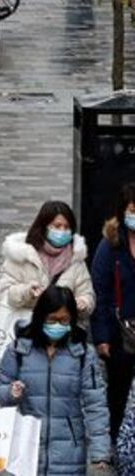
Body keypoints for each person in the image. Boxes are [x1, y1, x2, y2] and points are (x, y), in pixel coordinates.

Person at [0, 286, 111, 474]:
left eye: (64, 320)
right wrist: (11, 392)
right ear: (41, 317)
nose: (58, 325)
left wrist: (100, 450)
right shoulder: (19, 350)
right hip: (26, 447)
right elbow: (0, 390)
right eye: (52, 320)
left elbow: (95, 403)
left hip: (69, 452)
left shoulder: (83, 354)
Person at [0, 201, 95, 317]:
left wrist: (83, 302)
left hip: (62, 325)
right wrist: (27, 292)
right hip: (25, 324)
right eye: (57, 226)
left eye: (67, 227)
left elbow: (87, 294)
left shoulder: (76, 259)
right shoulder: (21, 255)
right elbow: (4, 295)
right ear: (44, 227)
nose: (62, 231)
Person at [91, 183, 135, 439]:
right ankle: (114, 441)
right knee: (118, 392)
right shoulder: (110, 245)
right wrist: (102, 337)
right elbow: (101, 292)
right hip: (120, 333)